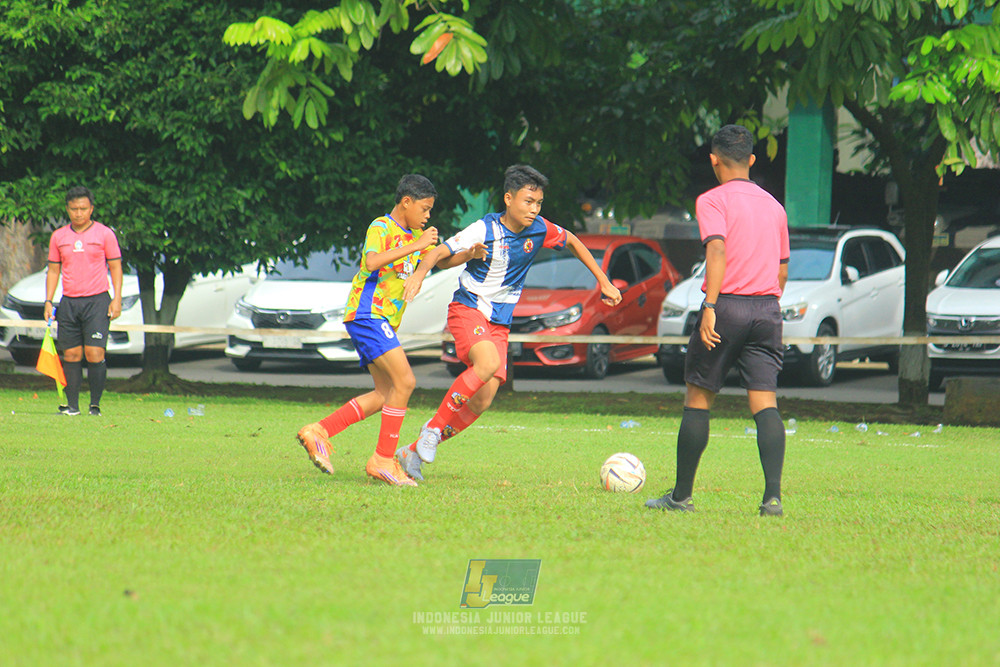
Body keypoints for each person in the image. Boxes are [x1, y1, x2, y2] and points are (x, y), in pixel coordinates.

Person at [395, 164, 622, 480]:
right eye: (528, 201)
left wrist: (604, 281)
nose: (534, 209)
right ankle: (432, 429)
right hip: (468, 309)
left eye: (538, 203)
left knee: (483, 400)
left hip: (499, 323)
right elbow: (438, 255)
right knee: (486, 364)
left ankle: (411, 451)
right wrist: (419, 276)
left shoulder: (539, 229)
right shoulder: (483, 229)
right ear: (509, 198)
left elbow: (572, 240)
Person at [295, 174, 479, 486]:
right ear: (406, 202)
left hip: (378, 320)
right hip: (368, 313)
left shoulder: (415, 234)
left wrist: (468, 255)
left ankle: (319, 430)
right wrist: (417, 244)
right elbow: (371, 261)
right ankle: (382, 459)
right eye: (424, 208)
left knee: (386, 393)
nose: (427, 215)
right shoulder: (381, 227)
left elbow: (440, 262)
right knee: (406, 381)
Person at [645, 124, 790, 517]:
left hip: (725, 307)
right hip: (766, 310)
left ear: (714, 160)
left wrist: (709, 307)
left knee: (698, 398)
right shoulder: (775, 207)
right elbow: (781, 272)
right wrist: (767, 305)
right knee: (765, 403)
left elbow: (718, 252)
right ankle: (772, 499)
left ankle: (680, 496)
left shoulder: (712, 201)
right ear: (752, 160)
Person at [43, 186, 124, 417]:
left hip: (97, 301)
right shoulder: (58, 237)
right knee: (71, 355)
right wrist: (48, 301)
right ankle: (72, 407)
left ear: (91, 209)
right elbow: (53, 270)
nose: (79, 213)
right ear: (67, 209)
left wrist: (116, 298)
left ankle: (95, 405)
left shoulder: (105, 234)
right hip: (69, 302)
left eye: (83, 209)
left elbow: (116, 266)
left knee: (94, 353)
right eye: (74, 209)